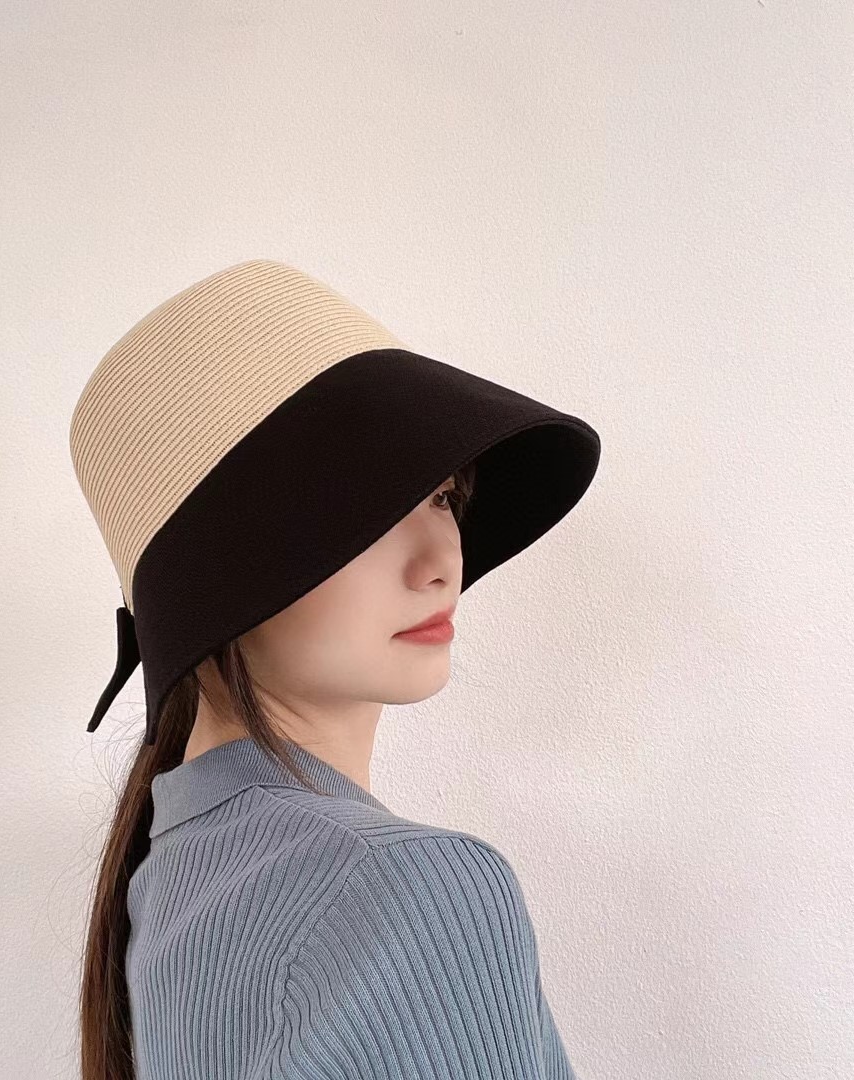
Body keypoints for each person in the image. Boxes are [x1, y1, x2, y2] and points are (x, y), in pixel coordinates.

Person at [69, 259, 600, 1078]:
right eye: (366, 512)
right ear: (222, 578)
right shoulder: (412, 889)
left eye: (442, 497)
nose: (441, 563)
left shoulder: (167, 882)